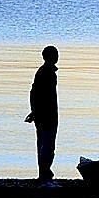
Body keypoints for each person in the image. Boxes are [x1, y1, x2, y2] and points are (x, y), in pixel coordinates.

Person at [24, 45, 59, 187]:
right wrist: (35, 112)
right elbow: (37, 94)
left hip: (48, 115)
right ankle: (44, 175)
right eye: (55, 55)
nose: (57, 57)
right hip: (46, 116)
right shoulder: (45, 73)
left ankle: (46, 173)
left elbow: (34, 94)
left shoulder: (47, 72)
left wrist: (34, 112)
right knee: (46, 146)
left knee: (47, 146)